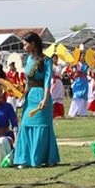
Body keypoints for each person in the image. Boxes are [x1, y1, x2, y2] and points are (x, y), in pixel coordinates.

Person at [14, 32, 60, 168]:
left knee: (41, 125)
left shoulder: (46, 60)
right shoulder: (27, 59)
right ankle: (24, 159)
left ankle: (41, 159)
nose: (23, 47)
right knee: (26, 124)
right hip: (30, 96)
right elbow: (28, 81)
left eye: (25, 44)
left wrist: (45, 98)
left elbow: (47, 80)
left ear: (33, 44)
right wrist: (23, 95)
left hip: (41, 95)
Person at [68, 52, 89, 117]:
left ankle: (82, 112)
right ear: (79, 57)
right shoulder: (76, 64)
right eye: (82, 56)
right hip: (78, 81)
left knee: (84, 96)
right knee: (76, 96)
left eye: (84, 56)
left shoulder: (87, 65)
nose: (84, 57)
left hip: (84, 81)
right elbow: (71, 72)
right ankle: (73, 112)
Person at [50, 54, 66, 118]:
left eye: (56, 58)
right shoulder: (50, 66)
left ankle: (61, 113)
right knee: (53, 97)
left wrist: (64, 56)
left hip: (59, 82)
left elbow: (66, 64)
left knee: (59, 98)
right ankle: (53, 114)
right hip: (52, 82)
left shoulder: (59, 65)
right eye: (54, 58)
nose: (55, 60)